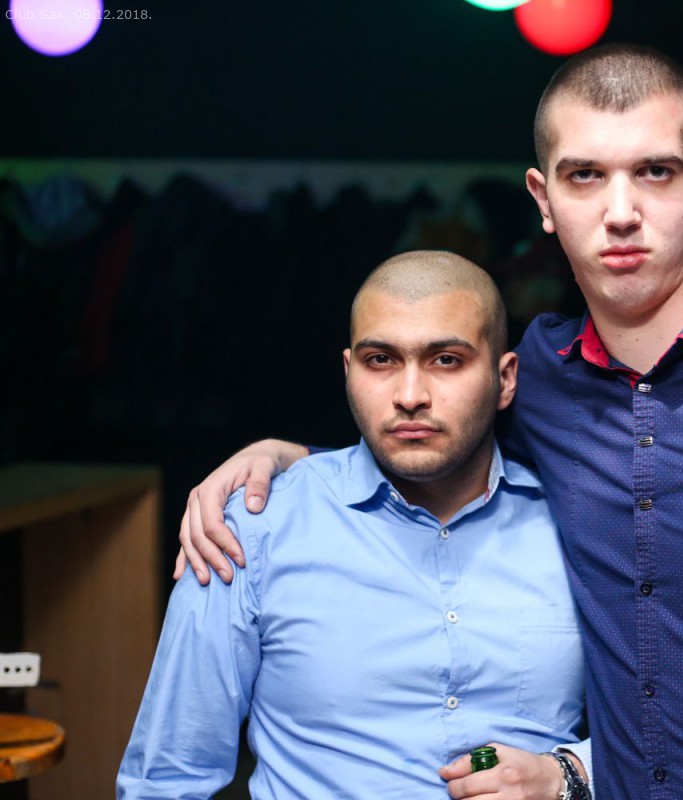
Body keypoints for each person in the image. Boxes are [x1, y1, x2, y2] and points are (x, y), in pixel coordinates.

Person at [177, 45, 683, 798]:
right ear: (543, 199)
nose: (619, 211)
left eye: (655, 172)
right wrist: (287, 457)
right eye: (584, 176)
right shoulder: (538, 375)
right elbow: (424, 430)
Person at [119, 252, 592, 799]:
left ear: (504, 379)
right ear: (348, 372)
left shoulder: (576, 526)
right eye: (380, 360)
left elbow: (658, 726)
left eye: (446, 360)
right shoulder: (253, 530)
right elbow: (167, 778)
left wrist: (571, 774)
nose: (410, 396)